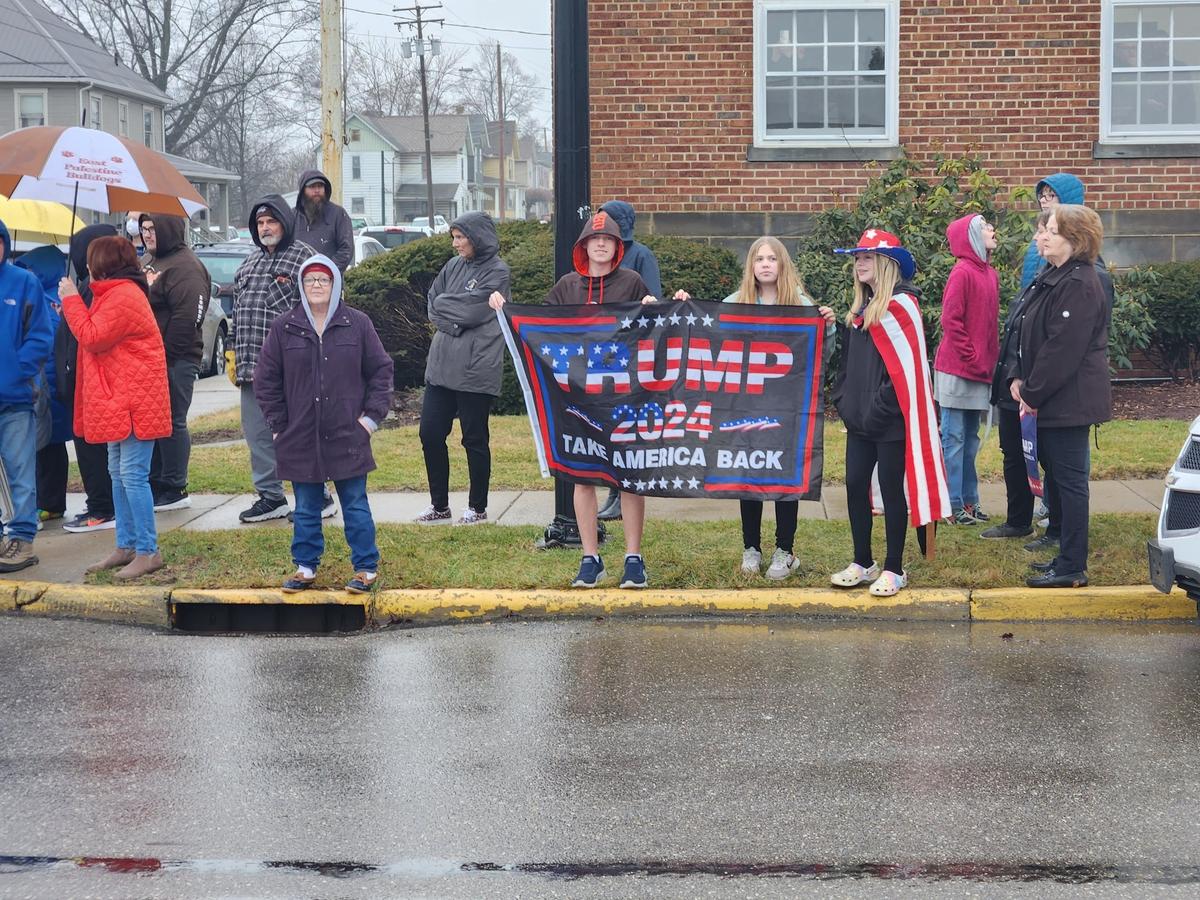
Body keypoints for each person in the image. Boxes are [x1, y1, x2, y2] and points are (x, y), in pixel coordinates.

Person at [491, 209, 656, 589]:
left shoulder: (631, 282)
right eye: (594, 239)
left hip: (624, 395)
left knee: (630, 477)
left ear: (617, 246)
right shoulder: (567, 286)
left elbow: (655, 328)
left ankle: (633, 557)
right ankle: (590, 557)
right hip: (578, 399)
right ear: (583, 246)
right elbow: (540, 330)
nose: (600, 245)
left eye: (608, 239)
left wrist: (656, 306)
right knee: (583, 477)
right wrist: (506, 310)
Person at [674, 236, 835, 578]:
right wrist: (686, 309)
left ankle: (785, 550)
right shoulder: (734, 303)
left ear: (782, 264)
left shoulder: (801, 304)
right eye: (759, 258)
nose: (765, 264)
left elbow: (821, 357)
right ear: (751, 266)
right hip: (744, 408)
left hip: (786, 408)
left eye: (772, 258)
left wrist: (829, 327)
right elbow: (707, 338)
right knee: (747, 473)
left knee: (784, 477)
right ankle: (751, 548)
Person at [254, 256, 393, 593]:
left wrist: (369, 420)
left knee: (355, 503)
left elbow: (381, 371)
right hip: (299, 435)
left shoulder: (357, 324)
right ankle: (305, 567)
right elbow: (265, 379)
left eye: (324, 280)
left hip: (348, 434)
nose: (316, 285)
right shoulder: (284, 327)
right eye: (310, 280)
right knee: (305, 507)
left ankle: (366, 568)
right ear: (301, 286)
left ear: (335, 284)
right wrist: (279, 425)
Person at [828, 229, 949, 597]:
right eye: (857, 258)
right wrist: (844, 401)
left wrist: (877, 409)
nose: (859, 263)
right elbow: (847, 367)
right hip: (858, 420)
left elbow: (905, 373)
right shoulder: (859, 312)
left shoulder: (902, 307)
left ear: (886, 263)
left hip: (889, 421)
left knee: (892, 491)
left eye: (867, 257)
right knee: (854, 486)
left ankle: (894, 567)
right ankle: (862, 561)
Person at [58, 236, 171, 580]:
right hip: (120, 400)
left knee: (133, 475)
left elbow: (93, 337)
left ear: (104, 264)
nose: (87, 266)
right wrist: (75, 305)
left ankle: (148, 551)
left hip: (134, 400)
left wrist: (71, 300)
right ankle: (126, 545)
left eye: (91, 260)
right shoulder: (112, 294)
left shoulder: (123, 295)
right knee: (118, 472)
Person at [1012, 205, 1111, 588]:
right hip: (1052, 399)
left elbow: (1061, 350)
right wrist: (1020, 380)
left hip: (1070, 402)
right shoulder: (1054, 277)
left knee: (1070, 485)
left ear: (1076, 239)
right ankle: (1065, 556)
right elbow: (1030, 333)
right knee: (1059, 480)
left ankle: (1072, 566)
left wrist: (1031, 392)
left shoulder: (1080, 283)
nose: (1043, 236)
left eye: (1053, 231)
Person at [228, 195, 328, 524]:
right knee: (258, 435)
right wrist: (231, 350)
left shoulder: (305, 259)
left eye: (272, 221)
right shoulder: (248, 264)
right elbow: (238, 313)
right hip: (251, 367)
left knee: (299, 433)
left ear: (285, 223)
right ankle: (271, 496)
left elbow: (322, 311)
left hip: (293, 368)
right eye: (260, 223)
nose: (266, 228)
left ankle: (319, 495)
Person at [415, 212, 511, 527]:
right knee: (430, 433)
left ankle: (477, 507)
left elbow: (473, 311)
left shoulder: (498, 271)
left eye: (460, 237)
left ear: (477, 237)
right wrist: (453, 318)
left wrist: (451, 310)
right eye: (453, 238)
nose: (455, 244)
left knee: (474, 439)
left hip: (475, 367)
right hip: (441, 365)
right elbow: (432, 303)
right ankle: (439, 505)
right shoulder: (453, 266)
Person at [983, 211, 1051, 541]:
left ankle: (1056, 525)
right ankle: (1018, 520)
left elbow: (1051, 343)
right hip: (1013, 385)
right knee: (1013, 453)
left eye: (1044, 231)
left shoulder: (1066, 282)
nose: (1037, 238)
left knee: (1045, 457)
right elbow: (1017, 335)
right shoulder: (1037, 282)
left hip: (1037, 387)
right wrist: (1012, 375)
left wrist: (1027, 380)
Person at [595, 200, 664, 523]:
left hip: (630, 351)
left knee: (627, 429)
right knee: (609, 427)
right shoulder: (601, 255)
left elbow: (652, 300)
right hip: (604, 353)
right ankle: (613, 490)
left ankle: (624, 494)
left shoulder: (641, 255)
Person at [140, 214, 213, 511]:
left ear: (168, 230)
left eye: (153, 229)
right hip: (148, 358)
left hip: (176, 359)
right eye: (143, 229)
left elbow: (188, 319)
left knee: (172, 420)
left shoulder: (186, 267)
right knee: (155, 422)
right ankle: (156, 481)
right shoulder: (150, 260)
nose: (147, 234)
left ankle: (174, 486)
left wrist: (165, 357)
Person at [933, 213, 1000, 526]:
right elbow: (951, 320)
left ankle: (970, 501)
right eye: (984, 226)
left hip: (979, 371)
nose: (991, 229)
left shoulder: (990, 274)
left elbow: (989, 326)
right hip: (956, 371)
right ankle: (951, 504)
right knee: (954, 439)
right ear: (971, 236)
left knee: (971, 440)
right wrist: (973, 356)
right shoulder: (961, 272)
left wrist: (988, 361)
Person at [58, 225, 119, 533]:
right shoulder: (84, 285)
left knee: (92, 447)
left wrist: (71, 300)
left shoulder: (93, 289)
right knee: (88, 446)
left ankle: (102, 508)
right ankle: (100, 503)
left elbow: (89, 333)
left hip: (88, 381)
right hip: (78, 379)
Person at [0, 219, 52, 573]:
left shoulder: (24, 282)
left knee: (20, 472)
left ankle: (22, 538)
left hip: (16, 399)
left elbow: (41, 337)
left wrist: (15, 370)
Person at [14, 246, 72, 526]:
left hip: (49, 387)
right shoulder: (44, 297)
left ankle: (50, 502)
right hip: (46, 384)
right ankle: (48, 502)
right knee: (44, 446)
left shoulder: (49, 300)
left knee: (47, 448)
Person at [292, 170, 354, 272]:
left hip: (329, 278)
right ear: (303, 190)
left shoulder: (338, 214)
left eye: (320, 186)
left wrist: (324, 270)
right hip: (296, 277)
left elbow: (346, 250)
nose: (317, 190)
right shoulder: (292, 216)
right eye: (312, 187)